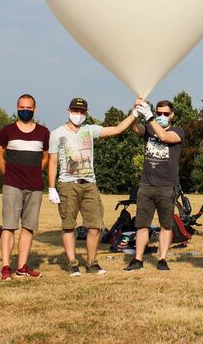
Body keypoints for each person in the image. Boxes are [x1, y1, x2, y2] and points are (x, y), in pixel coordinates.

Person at [48, 97, 138, 276]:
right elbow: (52, 162)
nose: (78, 115)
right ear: (68, 111)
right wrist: (51, 188)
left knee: (95, 226)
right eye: (75, 111)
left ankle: (92, 263)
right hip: (67, 184)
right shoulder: (56, 133)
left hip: (89, 184)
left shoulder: (90, 130)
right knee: (68, 226)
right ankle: (73, 263)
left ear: (86, 114)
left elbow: (117, 129)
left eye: (81, 112)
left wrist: (134, 113)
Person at [124, 100, 184, 272]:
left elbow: (164, 137)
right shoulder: (149, 128)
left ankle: (162, 259)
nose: (162, 116)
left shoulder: (178, 131)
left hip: (167, 186)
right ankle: (138, 259)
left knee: (166, 225)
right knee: (142, 225)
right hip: (146, 184)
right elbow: (135, 128)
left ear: (172, 115)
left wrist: (150, 117)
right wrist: (134, 112)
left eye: (166, 114)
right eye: (159, 113)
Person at [0, 94, 50, 281]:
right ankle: (5, 267)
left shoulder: (44, 132)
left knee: (28, 227)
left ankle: (22, 267)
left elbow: (45, 157)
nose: (25, 110)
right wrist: (9, 175)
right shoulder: (7, 130)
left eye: (28, 108)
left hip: (35, 186)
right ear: (17, 107)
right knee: (9, 227)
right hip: (12, 186)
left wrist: (34, 172)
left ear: (34, 109)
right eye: (22, 107)